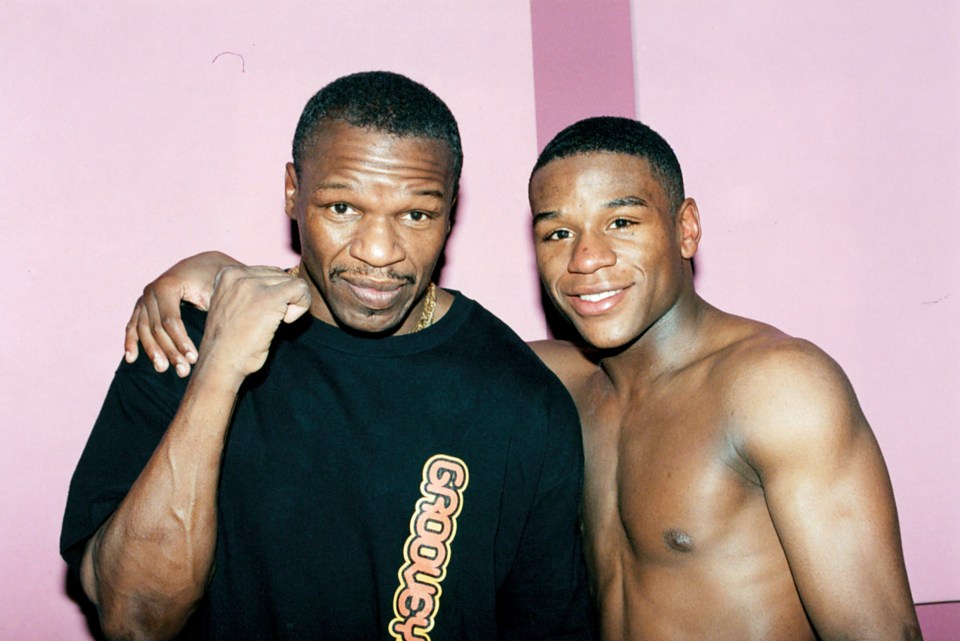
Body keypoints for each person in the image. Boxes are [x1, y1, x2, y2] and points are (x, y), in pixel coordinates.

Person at [126, 115, 923, 641]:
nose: (586, 259)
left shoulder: (779, 385)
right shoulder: (546, 385)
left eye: (621, 221)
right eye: (557, 231)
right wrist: (221, 275)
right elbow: (382, 306)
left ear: (685, 228)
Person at [60, 71, 593, 641]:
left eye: (416, 214)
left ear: (450, 211)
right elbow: (134, 619)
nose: (379, 252)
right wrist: (219, 369)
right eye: (342, 207)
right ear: (293, 191)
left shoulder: (521, 400)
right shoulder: (183, 336)